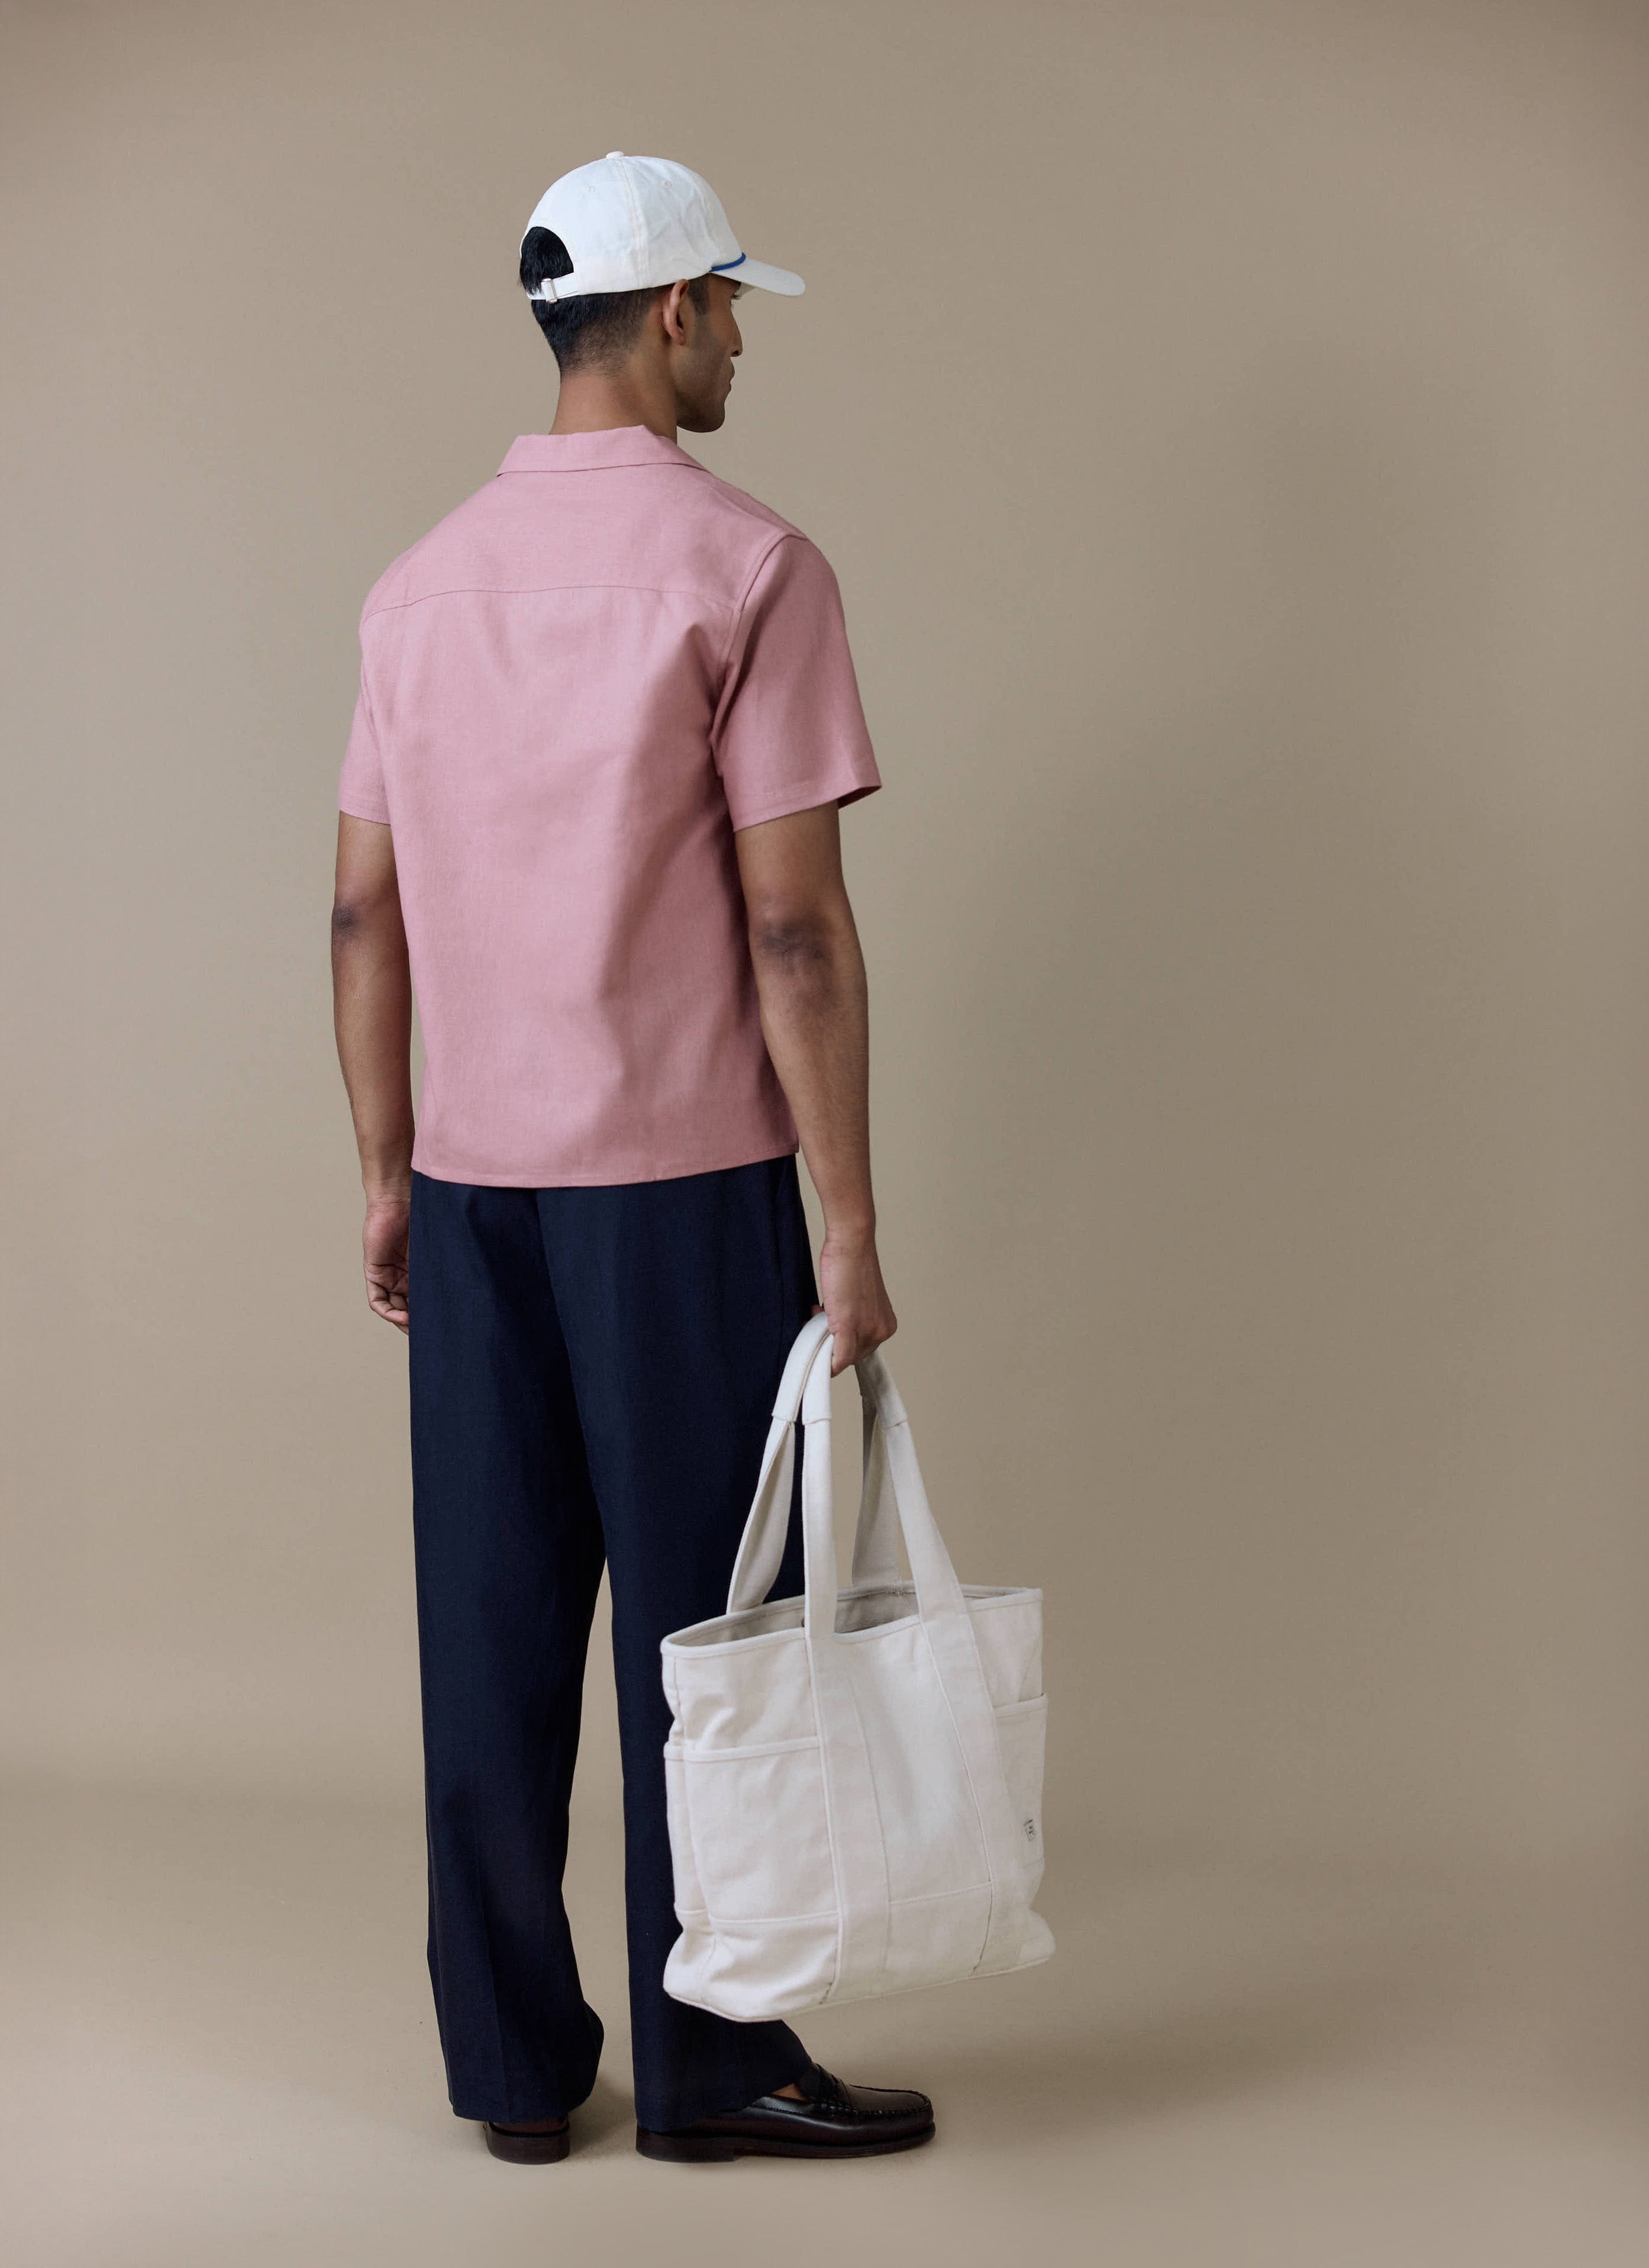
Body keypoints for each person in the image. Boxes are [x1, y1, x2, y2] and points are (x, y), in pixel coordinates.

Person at [330, 153, 932, 2165]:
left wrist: (387, 1167)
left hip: (480, 1186)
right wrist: (844, 1219)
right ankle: (716, 2066)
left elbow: (359, 917)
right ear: (668, 315)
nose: (743, 339)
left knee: (489, 1634)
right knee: (714, 1641)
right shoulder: (748, 568)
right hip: (679, 1197)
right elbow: (792, 928)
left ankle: (513, 2078)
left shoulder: (414, 588)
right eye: (733, 308)